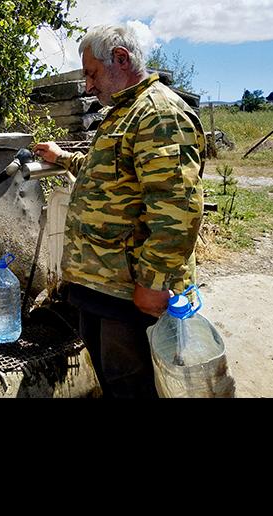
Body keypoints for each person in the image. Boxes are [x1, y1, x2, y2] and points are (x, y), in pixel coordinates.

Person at [34, 24, 206, 399]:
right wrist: (62, 157)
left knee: (133, 384)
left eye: (92, 74)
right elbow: (109, 177)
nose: (89, 86)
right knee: (113, 380)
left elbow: (178, 207)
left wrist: (154, 282)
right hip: (100, 281)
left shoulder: (158, 115)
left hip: (130, 290)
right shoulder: (123, 113)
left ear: (121, 59)